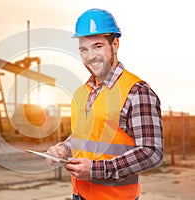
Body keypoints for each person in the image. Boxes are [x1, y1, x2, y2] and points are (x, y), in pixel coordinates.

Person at [46, 8, 163, 200]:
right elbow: (82, 137)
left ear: (115, 44)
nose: (90, 56)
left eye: (98, 46)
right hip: (79, 194)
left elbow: (151, 152)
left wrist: (96, 169)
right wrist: (63, 148)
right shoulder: (81, 93)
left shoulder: (136, 91)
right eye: (84, 49)